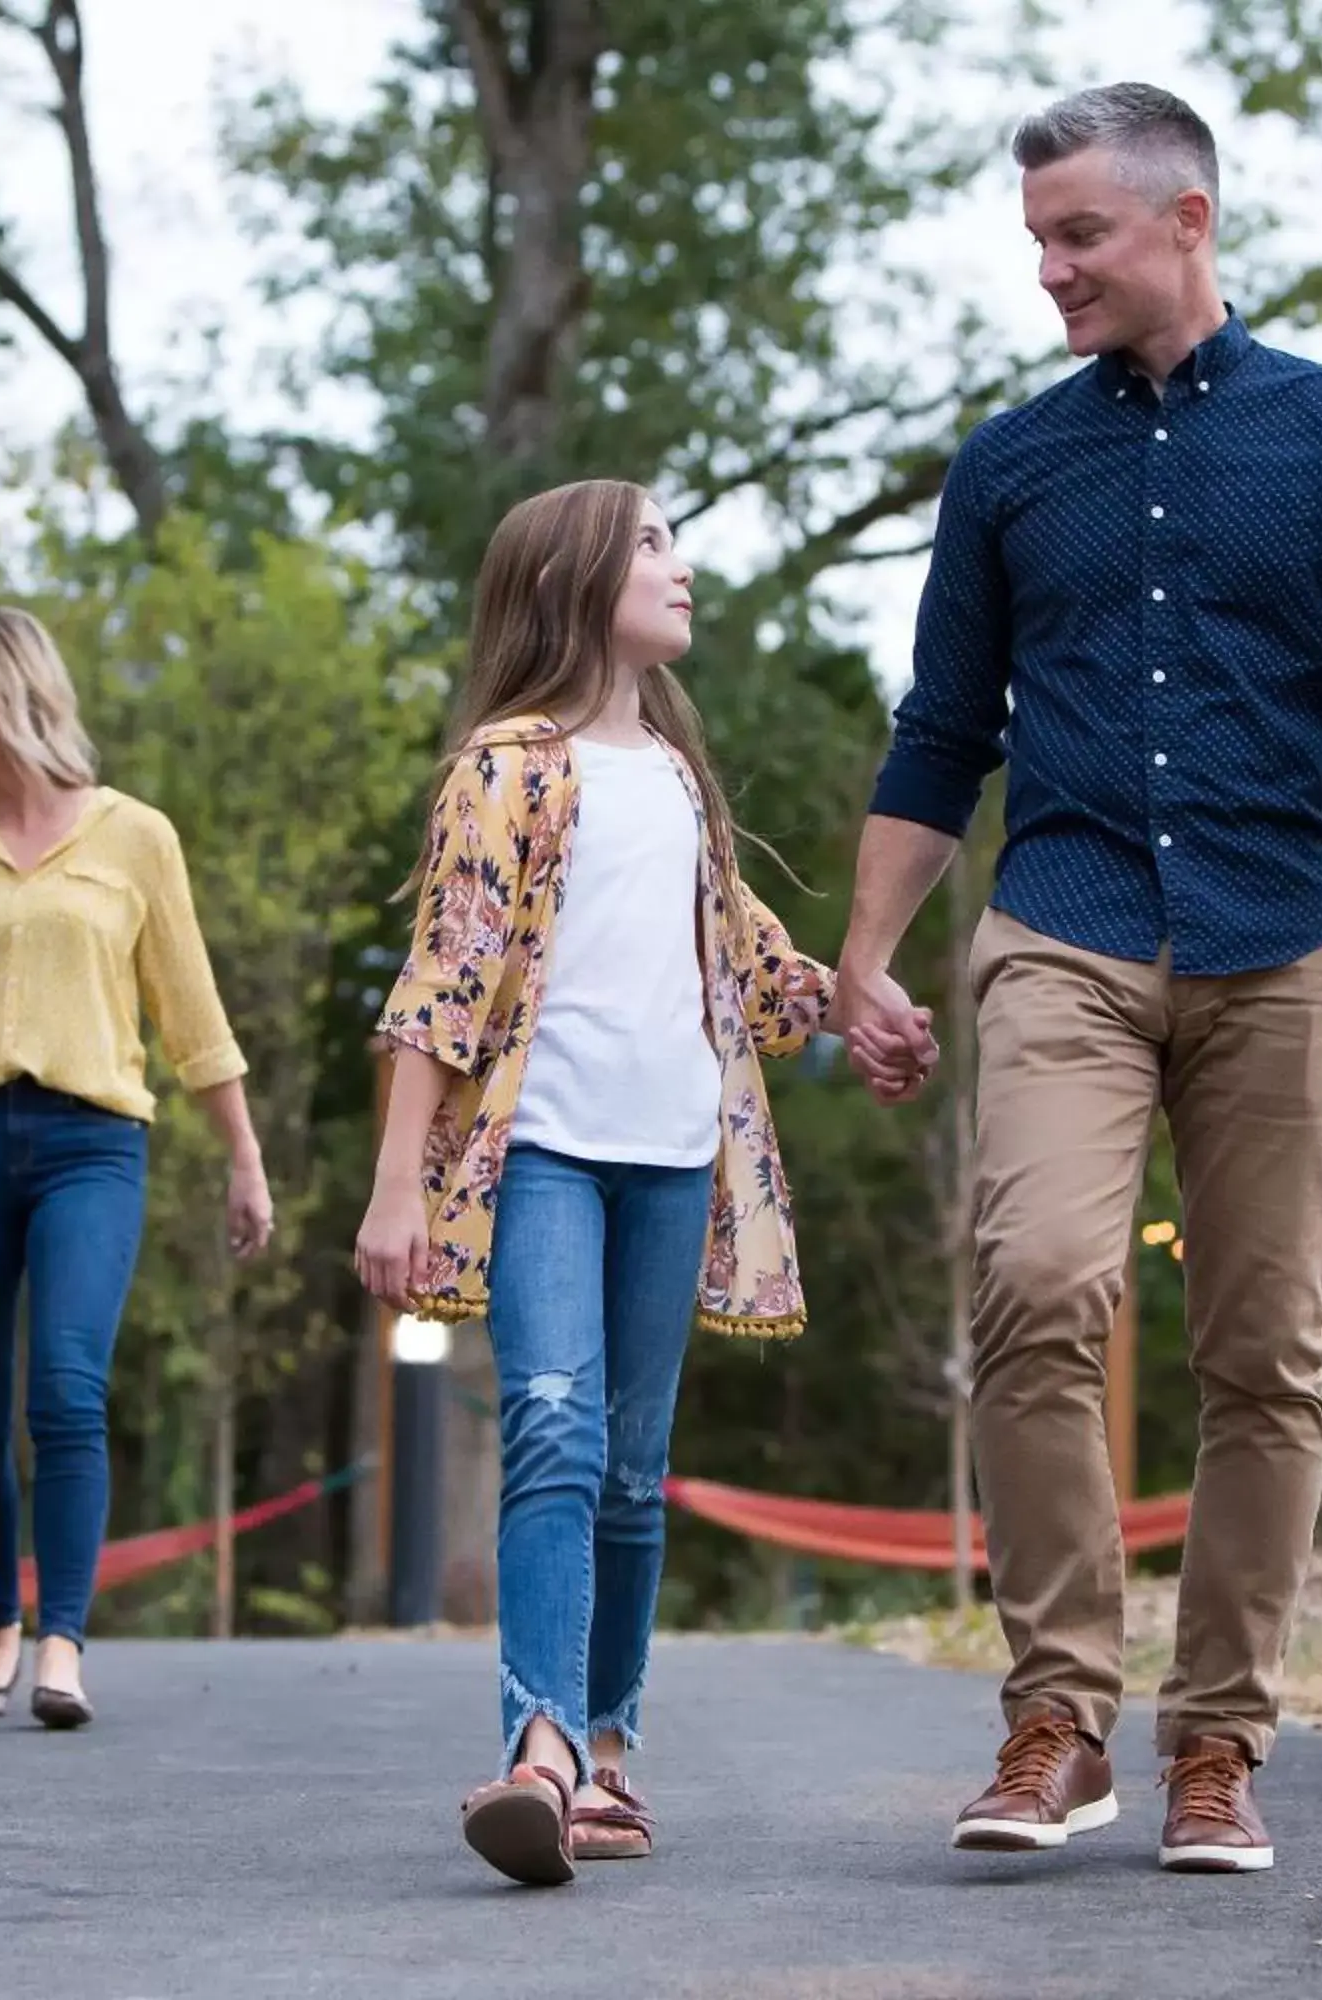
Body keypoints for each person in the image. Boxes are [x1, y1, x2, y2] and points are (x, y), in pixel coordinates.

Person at [834, 82, 1322, 1874]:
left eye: (1079, 236)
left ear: (1187, 219)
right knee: (1035, 1281)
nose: (1051, 271)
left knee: (1268, 1350)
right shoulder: (1012, 464)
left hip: (1287, 938)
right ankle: (1055, 1720)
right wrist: (865, 958)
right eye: (1038, 241)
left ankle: (1218, 1746)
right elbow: (943, 729)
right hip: (1069, 920)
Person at [358, 480, 837, 1888]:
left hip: (678, 1156)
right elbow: (443, 985)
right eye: (650, 545)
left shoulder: (682, 781)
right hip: (549, 1154)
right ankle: (542, 1750)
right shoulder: (506, 768)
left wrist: (857, 1006)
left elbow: (748, 965)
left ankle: (608, 1753)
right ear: (573, 580)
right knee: (553, 1434)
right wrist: (396, 1187)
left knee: (634, 1475)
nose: (679, 571)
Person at [0, 606, 274, 1732]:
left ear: (8, 695)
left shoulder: (135, 836)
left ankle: (62, 1641)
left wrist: (244, 1155)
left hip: (93, 1142)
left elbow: (191, 1010)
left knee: (69, 1387)